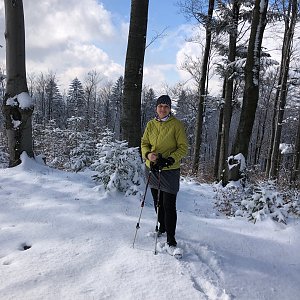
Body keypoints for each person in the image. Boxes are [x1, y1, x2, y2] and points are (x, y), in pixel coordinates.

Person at [141, 95, 188, 250]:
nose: (163, 109)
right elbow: (144, 143)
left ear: (170, 108)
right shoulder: (151, 124)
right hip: (152, 168)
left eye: (166, 106)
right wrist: (148, 155)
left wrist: (169, 159)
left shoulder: (176, 125)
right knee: (157, 202)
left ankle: (171, 238)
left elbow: (183, 148)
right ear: (156, 107)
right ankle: (162, 226)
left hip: (170, 170)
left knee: (169, 205)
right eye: (160, 106)